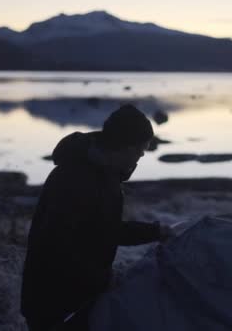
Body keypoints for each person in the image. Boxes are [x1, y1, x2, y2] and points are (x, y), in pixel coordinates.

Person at [21, 104, 172, 331]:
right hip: (54, 302)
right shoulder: (76, 176)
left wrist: (155, 231)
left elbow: (104, 229)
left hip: (78, 296)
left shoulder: (104, 173)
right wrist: (102, 281)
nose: (141, 156)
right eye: (140, 150)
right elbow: (58, 246)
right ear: (125, 146)